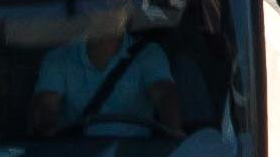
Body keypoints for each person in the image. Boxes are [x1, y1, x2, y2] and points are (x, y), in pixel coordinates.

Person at [28, 22, 179, 138]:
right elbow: (46, 105)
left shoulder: (148, 54)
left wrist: (173, 130)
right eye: (100, 5)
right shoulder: (60, 57)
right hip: (77, 155)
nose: (108, 12)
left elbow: (164, 94)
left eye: (115, 5)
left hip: (136, 154)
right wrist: (47, 131)